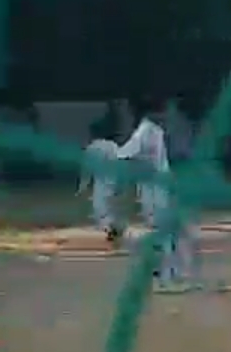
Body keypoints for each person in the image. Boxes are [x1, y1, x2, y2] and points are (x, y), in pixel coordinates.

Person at [116, 97, 199, 293]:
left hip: (162, 187)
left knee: (176, 231)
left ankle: (173, 274)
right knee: (165, 232)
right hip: (152, 190)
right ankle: (164, 278)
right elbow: (124, 157)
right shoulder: (145, 132)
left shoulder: (157, 132)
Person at [79, 136, 124, 246]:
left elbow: (87, 169)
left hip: (102, 180)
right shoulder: (114, 145)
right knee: (111, 206)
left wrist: (83, 186)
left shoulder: (92, 148)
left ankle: (111, 230)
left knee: (100, 207)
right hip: (113, 178)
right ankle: (115, 227)